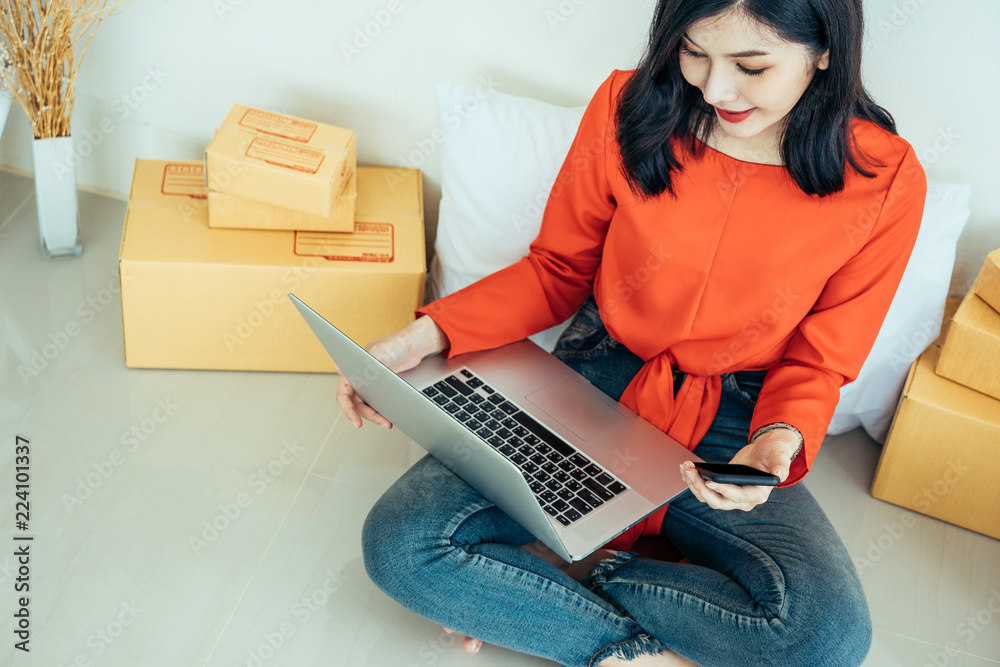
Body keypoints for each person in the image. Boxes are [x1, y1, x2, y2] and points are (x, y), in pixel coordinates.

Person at [338, 0, 925, 664]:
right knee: (400, 543)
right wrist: (419, 340)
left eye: (751, 66)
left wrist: (774, 444)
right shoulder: (627, 105)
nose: (714, 89)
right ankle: (629, 653)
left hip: (741, 418)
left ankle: (569, 575)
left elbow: (822, 359)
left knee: (826, 638)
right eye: (695, 53)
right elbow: (557, 271)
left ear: (824, 52)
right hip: (598, 377)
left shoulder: (885, 177)